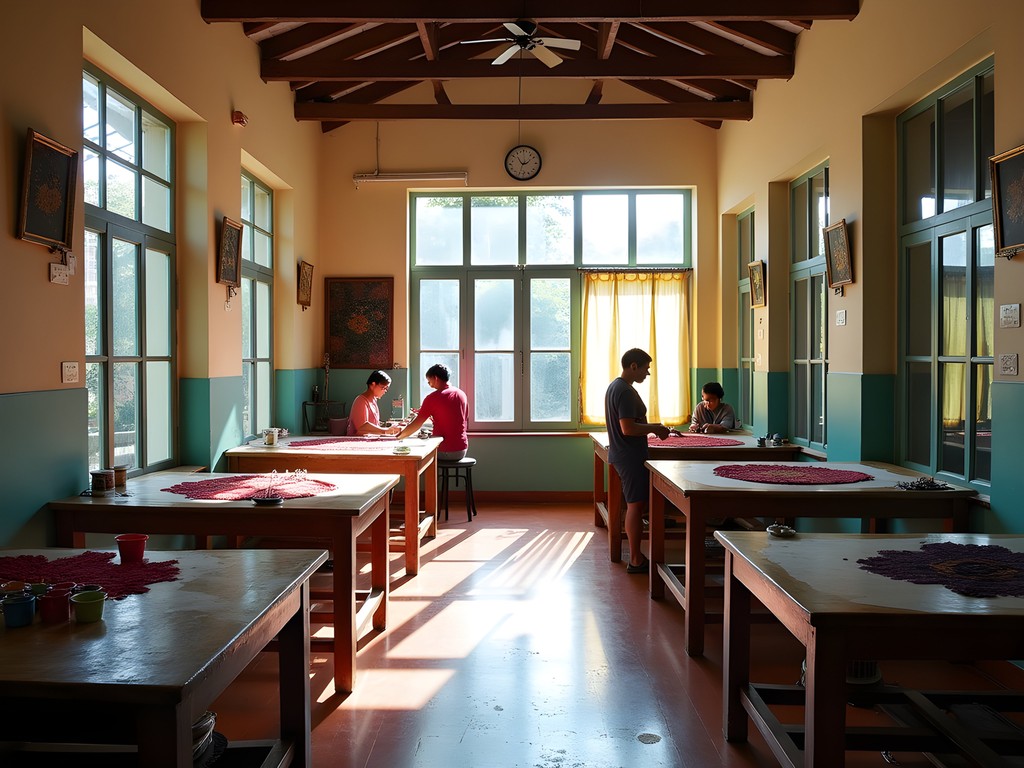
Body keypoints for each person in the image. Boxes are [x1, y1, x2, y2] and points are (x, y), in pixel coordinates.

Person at [604, 348, 671, 574]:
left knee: (635, 503)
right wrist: (655, 429)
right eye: (646, 368)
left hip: (623, 453)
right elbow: (628, 427)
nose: (648, 373)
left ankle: (636, 555)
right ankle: (635, 558)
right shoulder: (625, 391)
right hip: (629, 455)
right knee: (635, 504)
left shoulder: (616, 386)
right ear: (634, 366)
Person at [395, 364, 469, 460]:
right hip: (462, 448)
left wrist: (397, 438)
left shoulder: (433, 398)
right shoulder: (461, 393)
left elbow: (417, 424)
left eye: (429, 381)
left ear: (436, 378)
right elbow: (462, 417)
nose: (429, 384)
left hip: (446, 450)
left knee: (415, 454)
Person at [348, 370, 402, 436]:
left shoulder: (373, 400)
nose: (385, 391)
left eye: (386, 389)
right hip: (356, 442)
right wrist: (385, 431)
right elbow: (362, 427)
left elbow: (374, 424)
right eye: (383, 388)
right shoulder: (361, 401)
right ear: (373, 384)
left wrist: (389, 426)